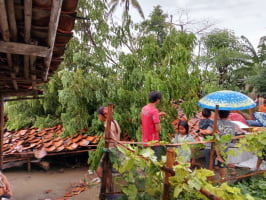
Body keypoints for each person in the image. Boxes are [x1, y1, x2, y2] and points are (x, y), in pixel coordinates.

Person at [96, 106, 121, 179]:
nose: (99, 118)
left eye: (99, 116)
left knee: (108, 172)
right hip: (116, 149)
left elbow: (111, 140)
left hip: (111, 150)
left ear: (102, 115)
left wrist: (105, 152)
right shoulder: (114, 122)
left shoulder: (108, 124)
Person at [141, 91, 166, 157]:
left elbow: (149, 116)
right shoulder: (154, 111)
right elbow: (157, 129)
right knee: (153, 162)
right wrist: (159, 122)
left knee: (145, 160)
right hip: (153, 141)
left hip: (145, 140)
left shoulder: (144, 109)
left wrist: (159, 114)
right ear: (157, 100)